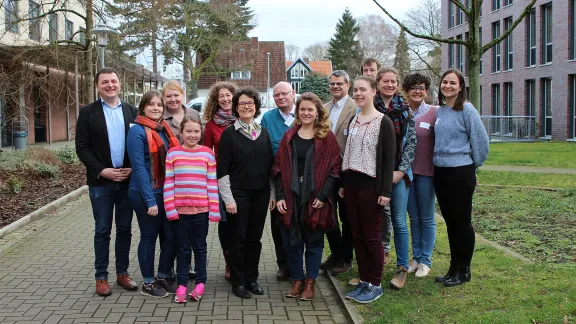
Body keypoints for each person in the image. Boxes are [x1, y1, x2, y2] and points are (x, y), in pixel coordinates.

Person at [271, 92, 342, 301]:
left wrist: (322, 195)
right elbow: (278, 168)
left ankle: (310, 282)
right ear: (297, 111)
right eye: (302, 109)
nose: (306, 113)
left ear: (318, 112)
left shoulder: (326, 138)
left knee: (314, 241)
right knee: (292, 241)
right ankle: (297, 280)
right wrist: (281, 196)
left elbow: (335, 169)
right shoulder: (289, 136)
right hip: (291, 197)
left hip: (315, 197)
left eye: (310, 109)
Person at [75, 67, 138, 297]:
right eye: (105, 82)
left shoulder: (133, 111)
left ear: (120, 84)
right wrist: (103, 171)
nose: (110, 85)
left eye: (113, 81)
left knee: (125, 229)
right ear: (97, 86)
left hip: (126, 181)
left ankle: (122, 273)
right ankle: (101, 277)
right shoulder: (88, 113)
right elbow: (81, 147)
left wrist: (133, 168)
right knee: (102, 229)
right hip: (101, 182)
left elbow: (139, 144)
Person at [340, 76, 395, 304]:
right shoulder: (353, 119)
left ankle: (375, 283)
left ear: (374, 92)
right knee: (357, 235)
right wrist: (343, 183)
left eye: (363, 89)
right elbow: (349, 153)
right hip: (351, 185)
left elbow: (388, 159)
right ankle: (363, 280)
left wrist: (385, 191)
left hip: (371, 187)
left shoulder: (384, 122)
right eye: (356, 90)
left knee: (372, 237)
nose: (359, 93)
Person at [217, 88, 276, 299]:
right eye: (242, 103)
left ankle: (252, 279)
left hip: (260, 195)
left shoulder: (263, 133)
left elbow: (270, 167)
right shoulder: (229, 135)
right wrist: (228, 199)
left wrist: (272, 195)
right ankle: (238, 281)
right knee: (238, 239)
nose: (247, 106)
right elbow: (222, 170)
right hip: (238, 195)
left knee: (255, 239)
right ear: (236, 107)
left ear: (256, 106)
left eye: (250, 103)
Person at [433, 69, 489, 287]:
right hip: (441, 172)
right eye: (444, 82)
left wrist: (473, 167)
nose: (447, 86)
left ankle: (463, 270)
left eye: (452, 83)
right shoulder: (441, 111)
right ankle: (453, 268)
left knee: (462, 223)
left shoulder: (467, 110)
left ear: (461, 86)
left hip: (460, 172)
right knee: (450, 222)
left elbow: (481, 142)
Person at [126, 90, 180, 298]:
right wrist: (150, 200)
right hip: (144, 192)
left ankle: (162, 275)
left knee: (171, 235)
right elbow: (138, 167)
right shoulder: (137, 131)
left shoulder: (164, 129)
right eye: (151, 104)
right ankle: (148, 283)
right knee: (149, 236)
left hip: (165, 191)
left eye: (159, 104)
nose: (156, 108)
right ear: (143, 107)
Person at [164, 116, 221, 303]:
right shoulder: (173, 154)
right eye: (188, 131)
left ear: (201, 133)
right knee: (183, 249)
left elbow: (211, 183)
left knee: (200, 248)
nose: (193, 135)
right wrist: (170, 208)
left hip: (202, 211)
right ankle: (181, 284)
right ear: (181, 132)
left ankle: (200, 282)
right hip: (180, 212)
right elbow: (169, 183)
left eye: (196, 131)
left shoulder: (207, 154)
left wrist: (214, 210)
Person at [374, 66, 417, 289]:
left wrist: (399, 171)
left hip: (399, 174)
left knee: (399, 221)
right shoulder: (370, 108)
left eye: (393, 82)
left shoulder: (406, 111)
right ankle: (373, 267)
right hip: (374, 173)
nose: (389, 85)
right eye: (385, 81)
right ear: (378, 83)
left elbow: (411, 144)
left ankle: (401, 268)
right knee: (375, 221)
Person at [162, 80, 201, 279]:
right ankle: (168, 265)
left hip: (191, 177)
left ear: (182, 95)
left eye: (176, 95)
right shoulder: (160, 117)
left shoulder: (193, 115)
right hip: (169, 173)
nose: (173, 99)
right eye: (168, 96)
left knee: (191, 226)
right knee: (170, 228)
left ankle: (188, 264)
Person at [320, 70, 356, 276]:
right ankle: (336, 253)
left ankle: (346, 258)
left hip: (347, 169)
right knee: (328, 215)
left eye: (339, 84)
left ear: (347, 85)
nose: (335, 87)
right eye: (332, 84)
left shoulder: (355, 108)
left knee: (347, 216)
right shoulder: (324, 109)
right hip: (327, 170)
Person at [402, 72, 437, 278]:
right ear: (407, 90)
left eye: (422, 87)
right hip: (406, 174)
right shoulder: (402, 113)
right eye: (414, 87)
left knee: (426, 218)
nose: (417, 91)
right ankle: (415, 258)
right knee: (413, 218)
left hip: (426, 173)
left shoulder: (434, 113)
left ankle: (425, 260)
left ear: (426, 91)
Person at [260, 81, 296, 280]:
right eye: (276, 95)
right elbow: (265, 151)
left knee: (299, 224)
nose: (281, 97)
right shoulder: (267, 118)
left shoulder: (303, 114)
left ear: (293, 93)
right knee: (278, 225)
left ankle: (298, 264)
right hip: (277, 178)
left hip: (301, 178)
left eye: (284, 93)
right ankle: (283, 265)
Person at [202, 81, 238, 281]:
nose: (225, 99)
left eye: (228, 95)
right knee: (226, 224)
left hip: (242, 178)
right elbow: (207, 154)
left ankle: (241, 261)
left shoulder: (244, 120)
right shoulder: (210, 125)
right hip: (221, 179)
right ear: (216, 101)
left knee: (240, 222)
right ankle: (229, 262)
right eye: (221, 96)